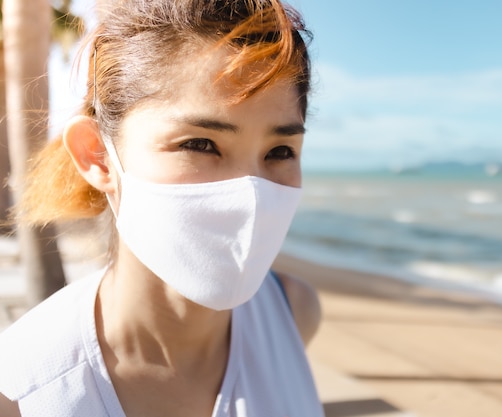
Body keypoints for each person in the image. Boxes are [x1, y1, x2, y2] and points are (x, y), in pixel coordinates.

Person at [0, 0, 324, 415]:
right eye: (200, 144)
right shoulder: (22, 395)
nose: (251, 189)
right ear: (98, 155)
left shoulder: (295, 312)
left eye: (280, 150)